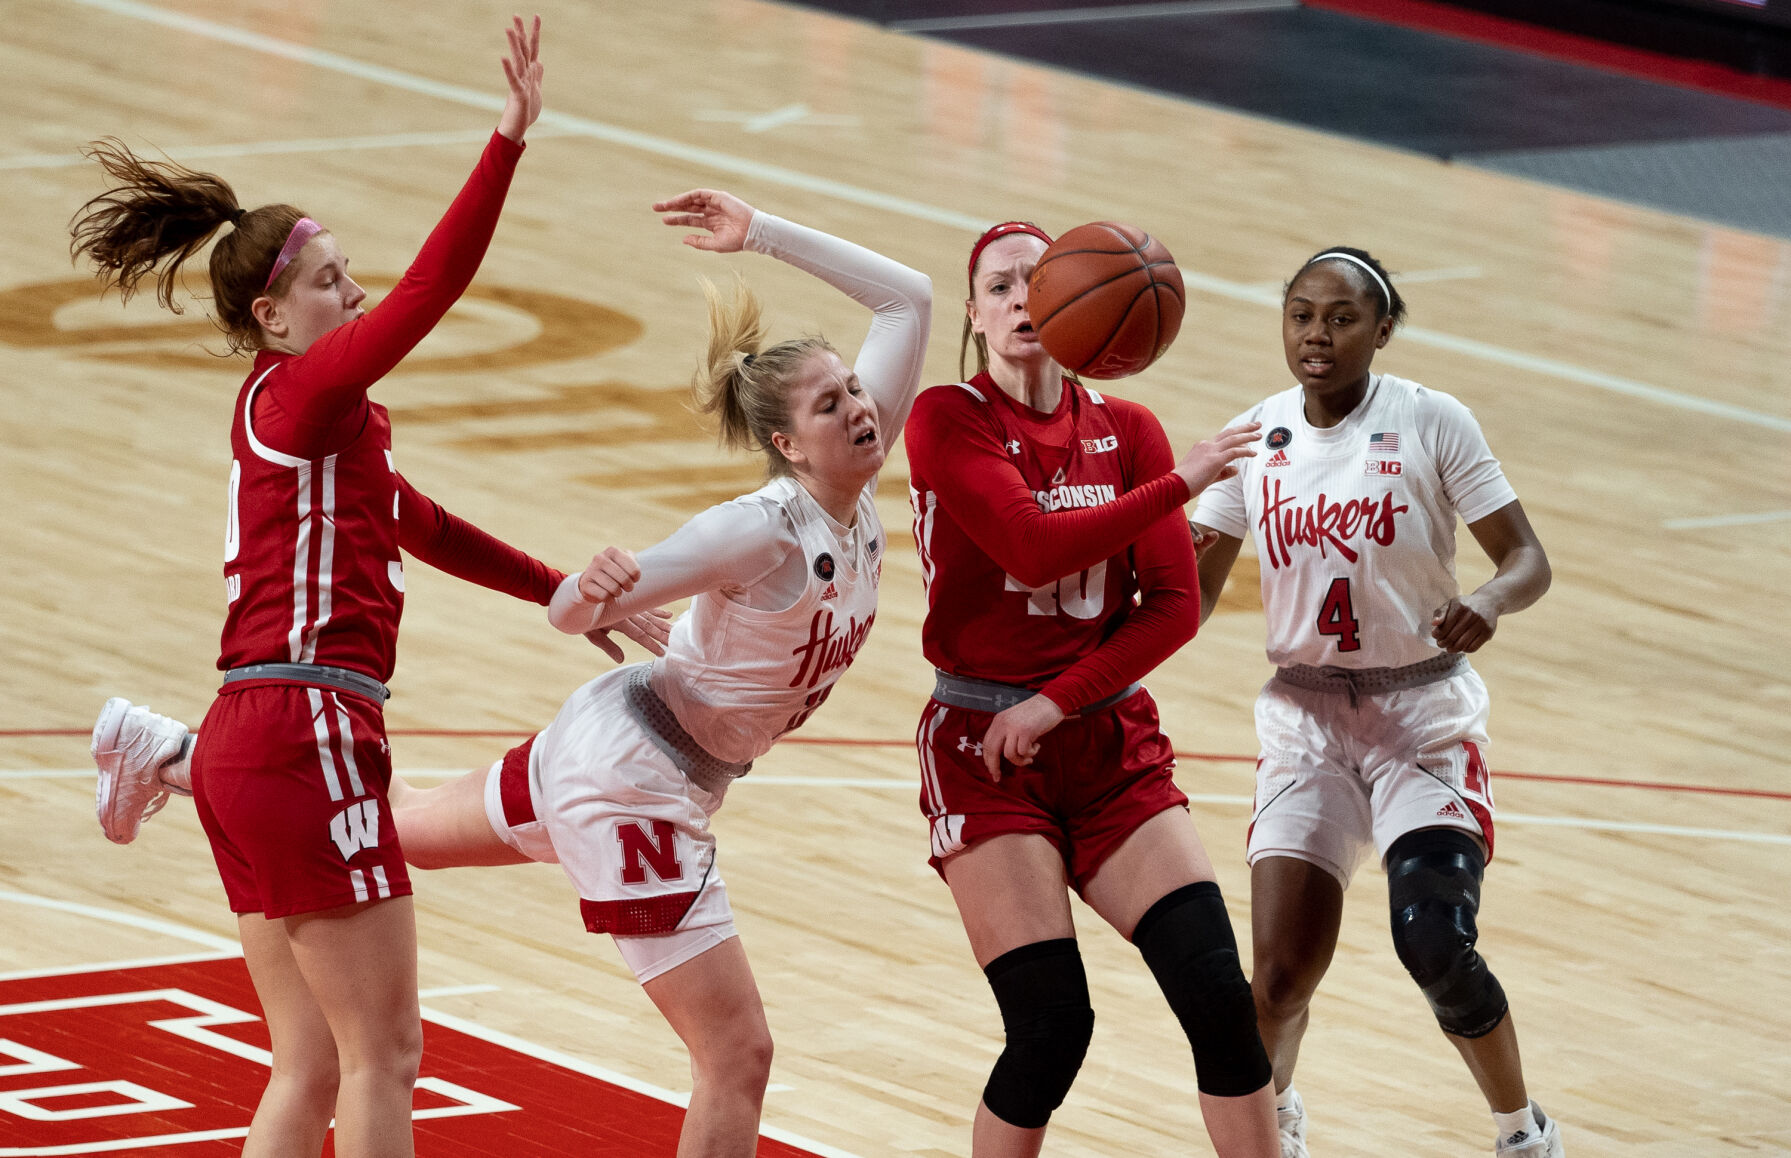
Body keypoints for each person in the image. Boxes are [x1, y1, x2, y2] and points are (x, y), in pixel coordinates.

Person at [71, 20, 579, 1158]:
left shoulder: (314, 426)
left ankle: (166, 751)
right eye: (330, 279)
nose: (356, 292)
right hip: (307, 733)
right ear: (271, 315)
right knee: (384, 1057)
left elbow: (423, 525)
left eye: (350, 273)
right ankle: (160, 750)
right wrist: (506, 140)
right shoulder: (302, 397)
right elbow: (433, 291)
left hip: (250, 741)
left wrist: (563, 594)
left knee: (306, 1066)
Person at [359, 188, 929, 1158]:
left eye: (854, 390)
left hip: (632, 747)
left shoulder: (856, 478)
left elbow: (908, 298)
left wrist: (763, 234)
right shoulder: (759, 530)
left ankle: (171, 755)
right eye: (830, 404)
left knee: (394, 830)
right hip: (634, 780)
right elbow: (568, 612)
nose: (859, 408)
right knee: (738, 1056)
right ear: (787, 445)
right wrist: (593, 592)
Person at [904, 220, 1279, 1158]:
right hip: (983, 751)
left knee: (1220, 1001)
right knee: (1051, 1027)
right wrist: (1181, 484)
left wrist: (1057, 701)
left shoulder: (1129, 430)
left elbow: (1173, 608)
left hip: (1108, 744)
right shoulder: (946, 418)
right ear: (973, 315)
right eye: (998, 286)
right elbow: (1031, 546)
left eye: (1036, 279)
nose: (1020, 299)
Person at [1188, 248, 1560, 1158]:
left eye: (1341, 318)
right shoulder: (1252, 437)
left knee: (1433, 942)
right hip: (1304, 723)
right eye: (1300, 315)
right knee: (1278, 977)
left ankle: (1521, 1131)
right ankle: (1274, 1125)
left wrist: (1488, 600)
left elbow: (1526, 558)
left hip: (1419, 718)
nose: (1316, 334)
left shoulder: (1431, 420)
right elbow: (1187, 598)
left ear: (1381, 330)